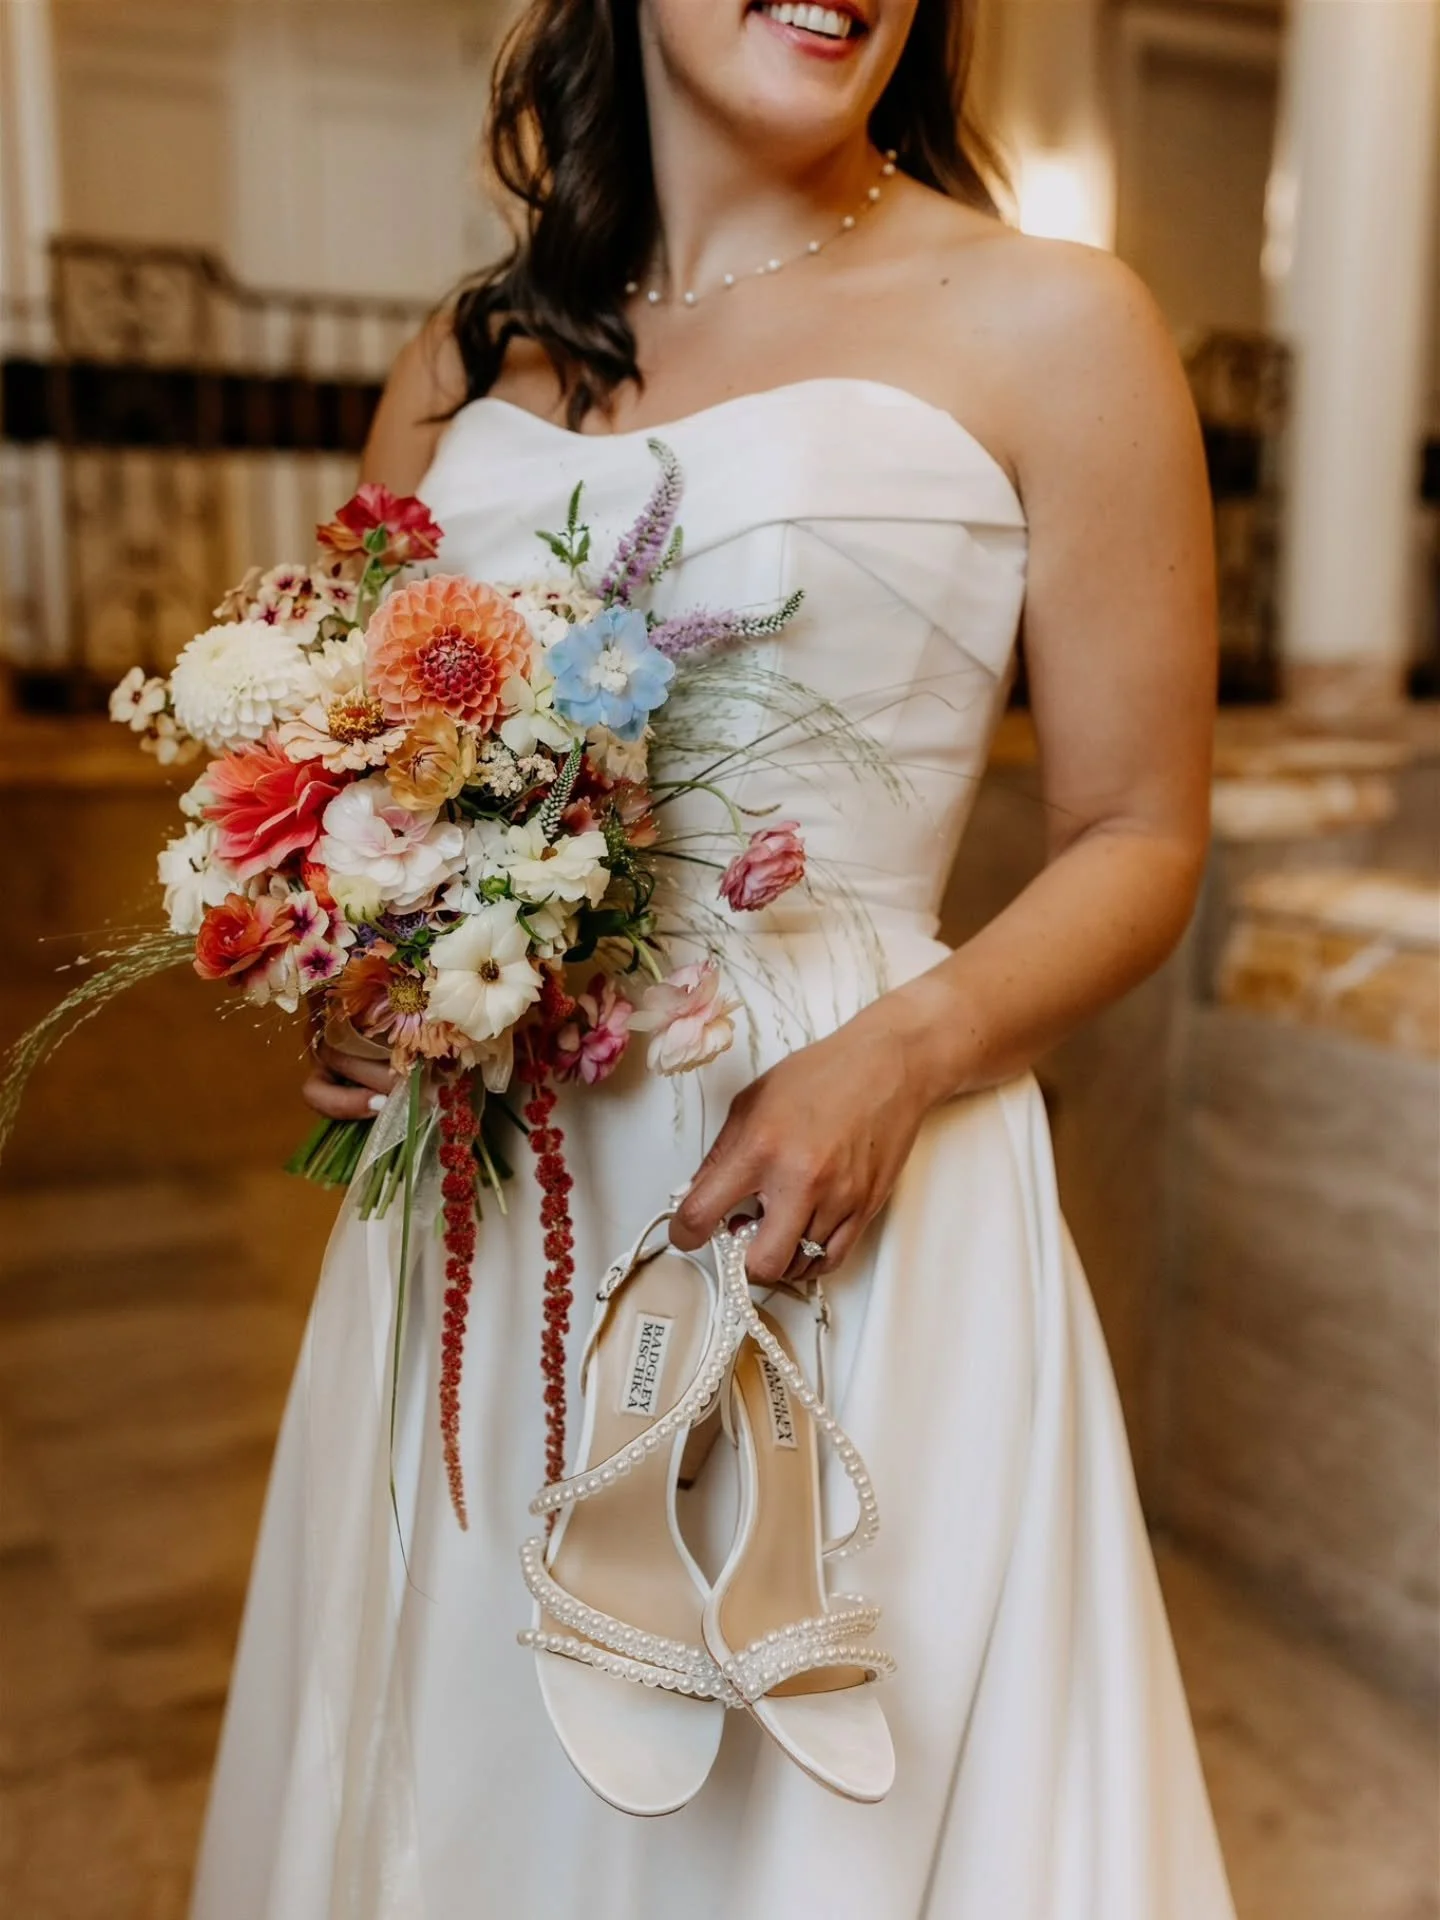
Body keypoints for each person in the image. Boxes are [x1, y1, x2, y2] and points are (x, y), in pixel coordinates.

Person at [192, 1, 1236, 1914]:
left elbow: (1141, 835)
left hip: (847, 1171)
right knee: (478, 1766)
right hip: (504, 1191)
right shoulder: (462, 359)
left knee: (823, 1795)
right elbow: (381, 772)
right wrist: (365, 976)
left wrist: (900, 1055)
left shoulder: (1057, 321)